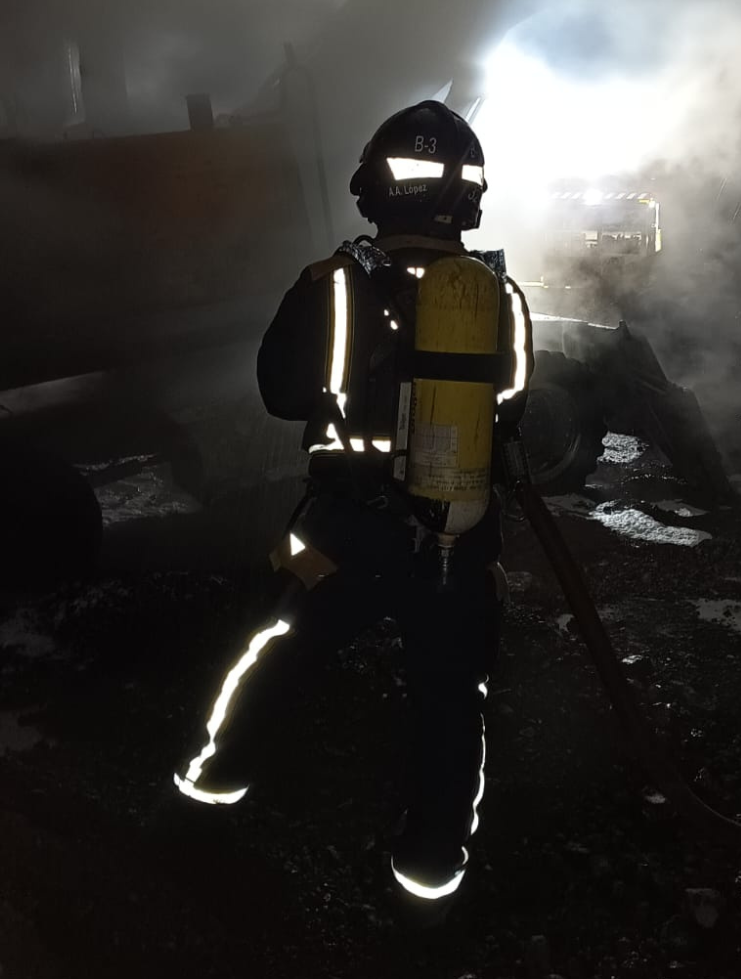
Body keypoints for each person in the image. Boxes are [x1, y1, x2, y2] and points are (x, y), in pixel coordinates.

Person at [174, 100, 532, 907]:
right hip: (459, 529)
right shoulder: (499, 293)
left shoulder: (329, 284)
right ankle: (431, 868)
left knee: (280, 647)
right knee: (452, 697)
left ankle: (216, 781)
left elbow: (280, 394)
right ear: (471, 197)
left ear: (372, 187)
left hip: (346, 525)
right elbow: (510, 409)